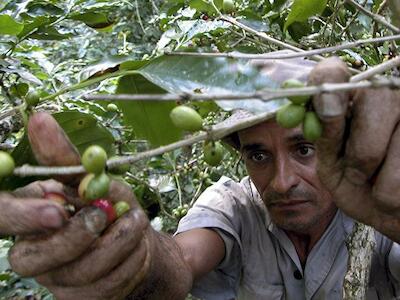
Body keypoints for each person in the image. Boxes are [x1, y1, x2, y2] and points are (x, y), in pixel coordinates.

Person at [1, 56, 400, 300]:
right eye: (257, 154)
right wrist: (136, 262)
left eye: (304, 149)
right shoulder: (234, 206)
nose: (281, 182)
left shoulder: (382, 205)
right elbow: (180, 259)